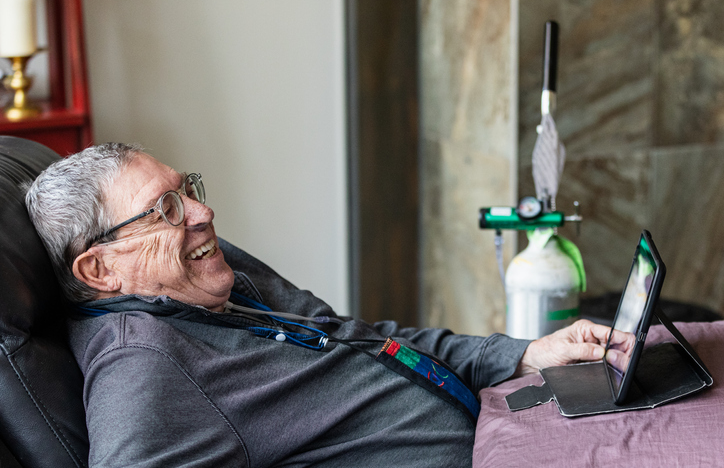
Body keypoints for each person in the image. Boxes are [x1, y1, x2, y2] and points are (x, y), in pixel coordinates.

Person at [26, 143, 630, 467]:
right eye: (165, 210)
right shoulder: (145, 372)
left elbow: (360, 338)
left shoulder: (208, 273)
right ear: (100, 269)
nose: (202, 212)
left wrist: (524, 354)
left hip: (502, 418)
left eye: (188, 191)